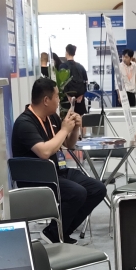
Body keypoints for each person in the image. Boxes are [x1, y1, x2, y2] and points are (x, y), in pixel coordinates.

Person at [11, 77, 106, 244]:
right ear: (46, 100)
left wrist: (74, 128)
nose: (59, 101)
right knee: (77, 193)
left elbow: (69, 144)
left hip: (57, 172)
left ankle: (62, 231)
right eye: (56, 96)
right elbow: (44, 152)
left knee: (97, 189)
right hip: (36, 179)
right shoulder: (24, 123)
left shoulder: (52, 117)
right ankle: (53, 233)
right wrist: (64, 130)